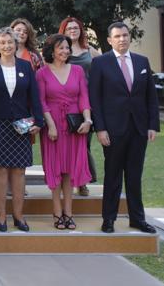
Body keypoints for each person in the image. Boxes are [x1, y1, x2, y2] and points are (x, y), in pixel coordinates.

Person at [89, 22, 159, 234]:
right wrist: (100, 129)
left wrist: (152, 125)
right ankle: (108, 219)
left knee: (134, 176)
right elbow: (95, 99)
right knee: (113, 176)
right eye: (117, 36)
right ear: (110, 40)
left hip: (139, 129)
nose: (122, 39)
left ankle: (137, 219)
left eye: (125, 35)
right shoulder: (101, 63)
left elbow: (151, 98)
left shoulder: (142, 61)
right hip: (112, 130)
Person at [0, 27, 43, 232]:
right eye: (3, 42)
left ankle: (19, 216)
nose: (7, 46)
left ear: (16, 44)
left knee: (20, 171)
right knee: (0, 171)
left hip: (21, 125)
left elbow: (34, 96)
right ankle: (1, 216)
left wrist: (38, 121)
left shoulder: (25, 66)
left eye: (10, 42)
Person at [36, 34, 92, 230]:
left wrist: (87, 119)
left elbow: (84, 97)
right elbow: (41, 102)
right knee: (55, 170)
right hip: (53, 126)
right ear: (52, 50)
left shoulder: (77, 70)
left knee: (69, 171)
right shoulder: (42, 73)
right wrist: (50, 125)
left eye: (67, 48)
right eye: (61, 48)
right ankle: (57, 212)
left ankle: (69, 213)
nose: (65, 51)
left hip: (74, 126)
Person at [58, 17, 101, 196]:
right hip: (64, 103)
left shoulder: (89, 51)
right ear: (64, 31)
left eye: (76, 28)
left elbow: (104, 67)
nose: (73, 31)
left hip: (87, 103)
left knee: (84, 144)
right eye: (69, 28)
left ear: (81, 30)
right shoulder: (61, 50)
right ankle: (66, 180)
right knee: (67, 145)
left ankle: (82, 181)